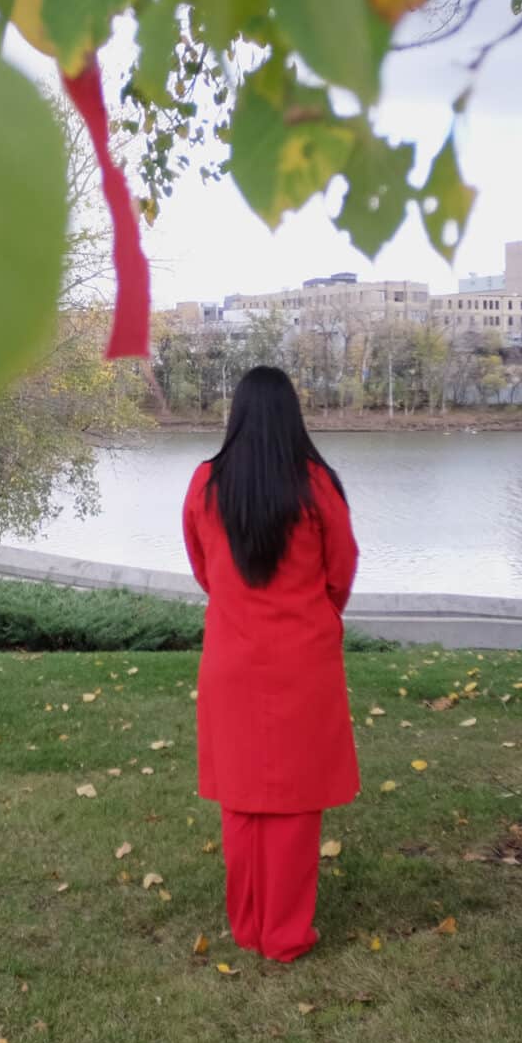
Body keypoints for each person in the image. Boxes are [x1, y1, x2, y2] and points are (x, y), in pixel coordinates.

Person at [183, 366, 360, 964]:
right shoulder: (317, 484)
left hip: (232, 657)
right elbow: (341, 569)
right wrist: (311, 613)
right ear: (293, 417)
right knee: (294, 799)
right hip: (301, 659)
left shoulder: (206, 484)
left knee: (243, 796)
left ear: (235, 416)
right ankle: (284, 934)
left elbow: (205, 569)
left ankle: (249, 924)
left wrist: (240, 607)